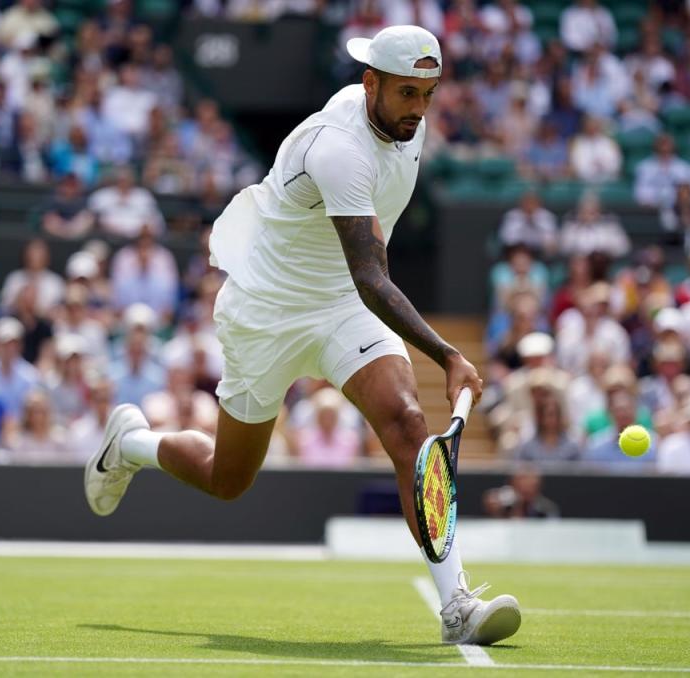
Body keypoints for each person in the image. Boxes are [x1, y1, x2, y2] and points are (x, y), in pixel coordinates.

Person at [83, 26, 520, 646]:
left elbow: (359, 285)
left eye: (427, 94)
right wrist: (447, 355)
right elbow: (372, 276)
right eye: (405, 93)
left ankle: (457, 604)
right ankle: (132, 445)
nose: (417, 108)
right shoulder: (339, 147)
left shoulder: (405, 120)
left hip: (343, 307)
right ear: (370, 83)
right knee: (226, 479)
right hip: (267, 312)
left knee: (406, 425)